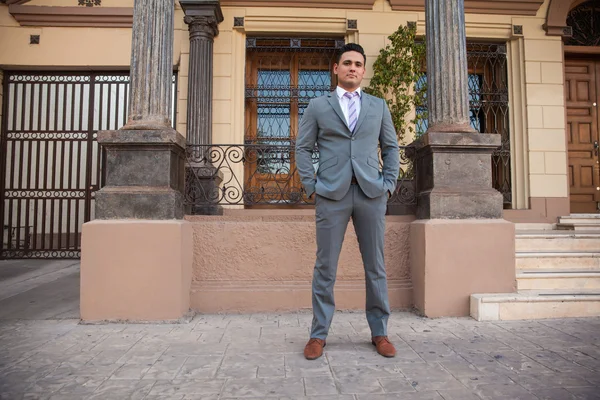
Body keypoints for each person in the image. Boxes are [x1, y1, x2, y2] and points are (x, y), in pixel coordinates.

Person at [295, 43, 400, 360]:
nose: (353, 67)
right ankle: (318, 335)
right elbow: (302, 149)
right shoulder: (317, 106)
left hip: (371, 194)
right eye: (347, 63)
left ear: (363, 71)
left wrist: (389, 185)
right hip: (331, 194)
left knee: (376, 267)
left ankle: (380, 332)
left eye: (358, 64)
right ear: (336, 69)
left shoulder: (379, 106)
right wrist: (311, 186)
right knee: (325, 267)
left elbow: (391, 148)